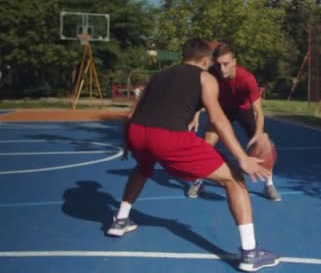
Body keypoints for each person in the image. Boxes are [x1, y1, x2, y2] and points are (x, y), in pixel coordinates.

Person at [108, 38, 279, 272]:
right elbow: (218, 119)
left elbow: (134, 111)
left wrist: (128, 140)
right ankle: (250, 253)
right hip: (168, 137)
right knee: (234, 178)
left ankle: (120, 220)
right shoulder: (205, 77)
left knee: (142, 168)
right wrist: (241, 157)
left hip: (139, 131)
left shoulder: (160, 75)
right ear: (206, 60)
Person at [186, 43, 282, 201]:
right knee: (206, 143)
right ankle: (199, 181)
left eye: (226, 64)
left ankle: (269, 185)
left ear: (234, 62)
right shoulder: (212, 73)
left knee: (265, 145)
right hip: (223, 110)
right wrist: (195, 116)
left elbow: (258, 112)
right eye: (219, 64)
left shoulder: (247, 79)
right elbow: (201, 96)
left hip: (244, 111)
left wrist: (258, 134)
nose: (222, 68)